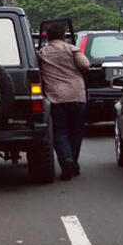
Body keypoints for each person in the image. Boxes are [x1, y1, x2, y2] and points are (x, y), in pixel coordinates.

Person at [38, 23, 90, 181]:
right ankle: (72, 162)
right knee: (76, 132)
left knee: (60, 132)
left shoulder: (42, 53)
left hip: (56, 98)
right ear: (64, 35)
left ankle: (66, 160)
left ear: (47, 36)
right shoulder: (72, 49)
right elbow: (85, 65)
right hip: (76, 95)